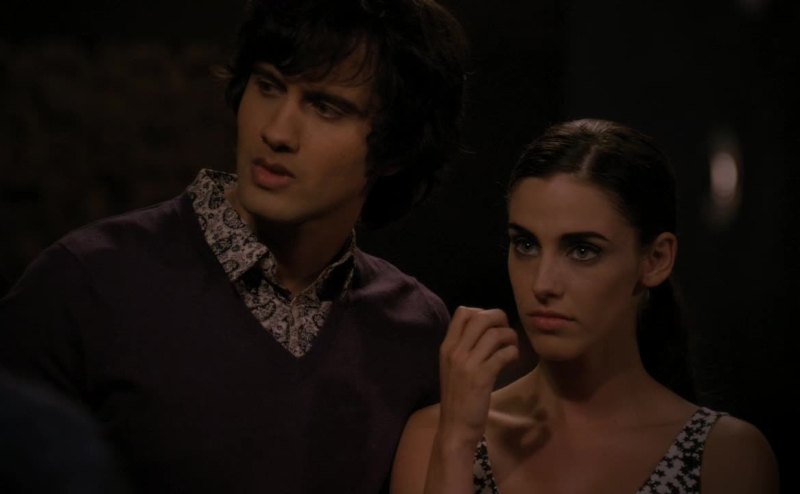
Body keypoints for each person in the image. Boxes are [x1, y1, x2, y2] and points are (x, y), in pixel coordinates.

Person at [0, 1, 468, 492]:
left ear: (395, 150)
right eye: (268, 86)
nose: (276, 132)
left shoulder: (414, 329)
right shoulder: (87, 282)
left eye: (325, 107)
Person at [390, 119, 779, 494]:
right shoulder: (437, 435)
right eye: (526, 244)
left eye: (582, 250)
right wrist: (457, 443)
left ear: (656, 259)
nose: (543, 284)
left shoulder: (724, 456)